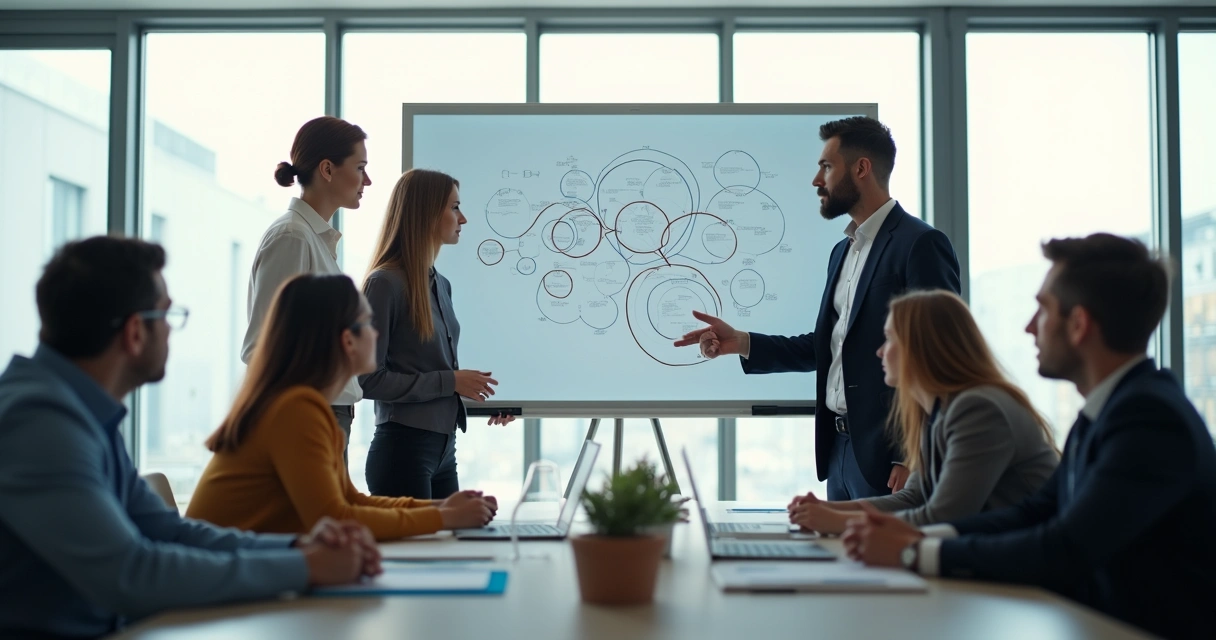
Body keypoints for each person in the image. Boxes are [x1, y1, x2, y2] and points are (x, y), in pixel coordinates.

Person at [842, 234, 1216, 640]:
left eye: (1043, 309)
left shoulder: (1149, 419)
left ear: (1079, 325)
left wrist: (914, 551)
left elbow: (1065, 547)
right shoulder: (1111, 409)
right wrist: (916, 537)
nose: (1028, 326)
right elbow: (1034, 512)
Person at [0, 237, 377, 639]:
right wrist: (306, 567)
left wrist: (297, 550)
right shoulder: (39, 422)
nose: (170, 330)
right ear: (134, 333)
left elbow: (170, 531)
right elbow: (131, 574)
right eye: (166, 315)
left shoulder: (82, 411)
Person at [675, 116, 961, 500]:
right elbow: (827, 345)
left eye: (826, 166)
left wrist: (914, 452)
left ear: (861, 169)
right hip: (839, 450)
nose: (816, 180)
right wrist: (741, 341)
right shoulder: (842, 252)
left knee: (879, 561)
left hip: (891, 458)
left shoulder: (920, 244)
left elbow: (939, 356)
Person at [187, 274, 498, 540]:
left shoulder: (304, 406)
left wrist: (443, 507)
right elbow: (336, 517)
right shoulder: (296, 411)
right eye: (367, 323)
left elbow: (350, 501)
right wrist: (444, 519)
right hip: (214, 590)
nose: (376, 333)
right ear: (347, 341)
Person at [787, 290, 1059, 535]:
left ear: (921, 348)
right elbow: (912, 498)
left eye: (890, 339)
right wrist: (827, 510)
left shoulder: (978, 409)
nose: (880, 352)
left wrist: (835, 521)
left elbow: (945, 516)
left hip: (1028, 577)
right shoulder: (936, 412)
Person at [360, 169, 514, 499]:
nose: (464, 218)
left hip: (444, 450)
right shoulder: (385, 284)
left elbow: (432, 374)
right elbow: (368, 380)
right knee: (422, 550)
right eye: (454, 207)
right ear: (427, 214)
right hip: (402, 451)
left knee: (451, 546)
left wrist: (491, 403)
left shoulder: (441, 285)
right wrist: (452, 381)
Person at [244, 115, 372, 464]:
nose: (368, 181)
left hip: (327, 413)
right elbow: (263, 346)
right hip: (313, 414)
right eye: (360, 168)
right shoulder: (293, 237)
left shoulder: (311, 238)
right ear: (327, 169)